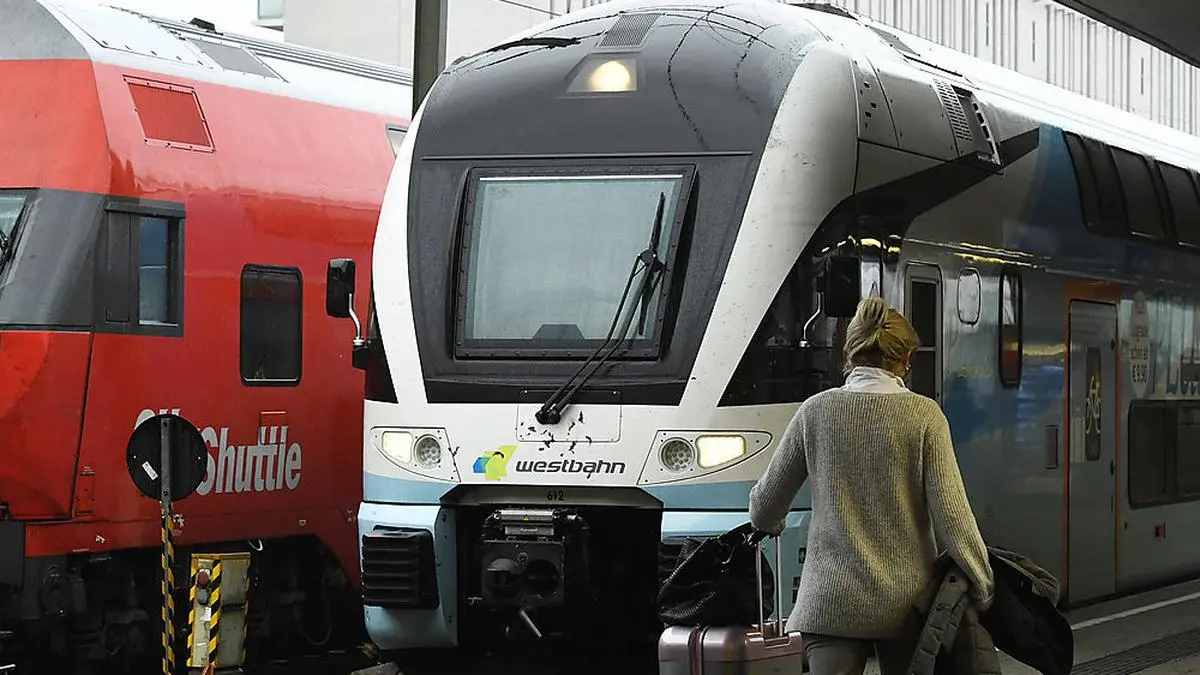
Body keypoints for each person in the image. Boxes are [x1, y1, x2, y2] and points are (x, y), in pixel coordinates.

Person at [748, 296, 994, 675]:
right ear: (903, 361)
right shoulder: (924, 416)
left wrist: (772, 525)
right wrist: (981, 582)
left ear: (849, 354)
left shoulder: (814, 411)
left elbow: (764, 508)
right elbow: (953, 518)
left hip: (829, 604)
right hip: (906, 605)